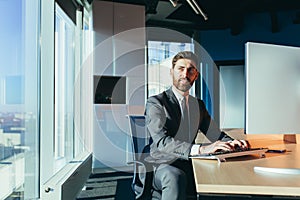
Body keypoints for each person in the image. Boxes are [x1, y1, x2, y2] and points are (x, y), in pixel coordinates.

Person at [144, 51, 249, 200]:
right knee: (175, 177)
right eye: (180, 68)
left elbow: (215, 134)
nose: (185, 73)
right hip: (162, 164)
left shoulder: (197, 105)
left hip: (189, 161)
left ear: (196, 75)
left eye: (191, 69)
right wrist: (202, 149)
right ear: (171, 72)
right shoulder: (156, 103)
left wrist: (233, 143)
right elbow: (162, 142)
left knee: (224, 172)